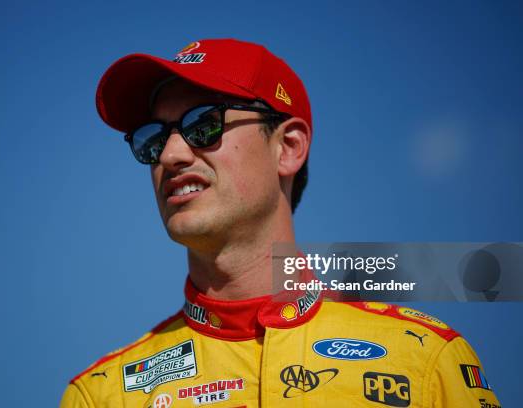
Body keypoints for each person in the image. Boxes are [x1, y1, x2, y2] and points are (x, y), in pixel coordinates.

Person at [60, 38, 501, 407]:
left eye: (203, 124)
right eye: (152, 139)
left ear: (288, 147)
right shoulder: (102, 395)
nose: (171, 155)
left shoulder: (425, 359)